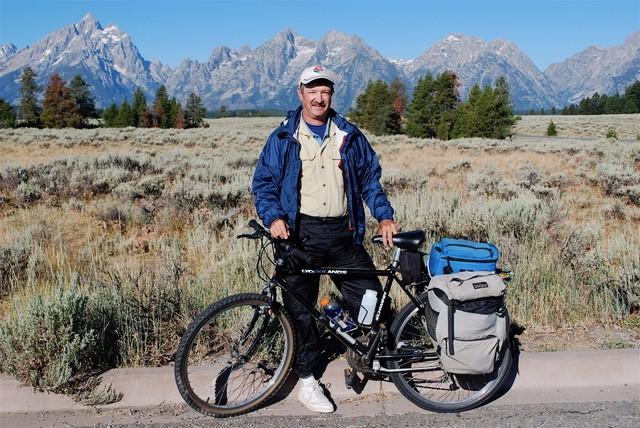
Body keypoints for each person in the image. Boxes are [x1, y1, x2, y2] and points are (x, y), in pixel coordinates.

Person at [252, 65, 398, 413]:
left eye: (325, 91)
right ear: (300, 93)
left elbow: (369, 181)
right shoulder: (283, 137)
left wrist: (385, 215)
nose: (319, 97)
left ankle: (352, 341)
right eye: (312, 90)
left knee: (371, 297)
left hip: (342, 233)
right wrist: (273, 217)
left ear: (331, 95)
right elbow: (264, 184)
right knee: (299, 312)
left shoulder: (348, 135)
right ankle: (306, 379)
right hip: (299, 234)